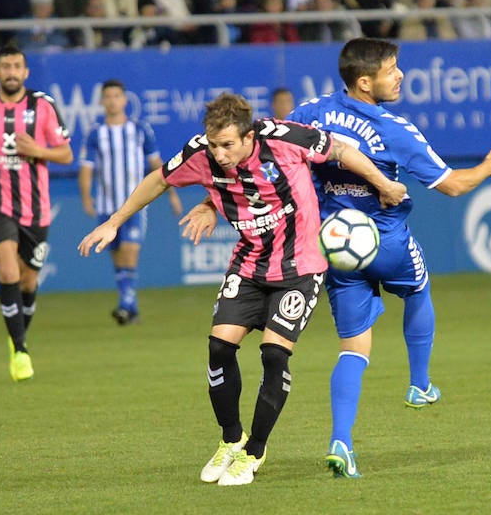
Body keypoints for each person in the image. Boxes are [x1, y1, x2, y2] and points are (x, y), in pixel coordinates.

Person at [80, 92, 407, 486]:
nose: (218, 154)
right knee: (219, 348)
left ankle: (254, 452)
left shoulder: (285, 138)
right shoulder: (201, 152)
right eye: (214, 144)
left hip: (301, 267)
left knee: (273, 353)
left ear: (249, 137)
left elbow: (340, 150)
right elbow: (159, 180)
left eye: (227, 145)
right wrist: (115, 221)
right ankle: (231, 440)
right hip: (250, 264)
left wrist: (384, 184)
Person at [279, 37, 491, 478]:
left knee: (353, 349)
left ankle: (341, 442)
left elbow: (274, 151)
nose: (400, 75)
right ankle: (419, 385)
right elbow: (453, 186)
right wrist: (488, 167)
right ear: (365, 82)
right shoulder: (392, 129)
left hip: (336, 248)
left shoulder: (310, 111)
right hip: (385, 241)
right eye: (391, 69)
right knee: (419, 289)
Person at [0, 43, 74, 382]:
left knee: (28, 280)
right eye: (5, 66)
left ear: (26, 72)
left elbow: (66, 154)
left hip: (36, 207)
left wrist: (38, 150)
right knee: (7, 271)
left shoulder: (43, 106)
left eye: (16, 66)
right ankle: (20, 349)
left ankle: (16, 335)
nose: (11, 72)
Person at [79, 79, 183, 325]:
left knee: (129, 252)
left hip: (135, 206)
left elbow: (157, 164)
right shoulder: (96, 132)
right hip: (106, 205)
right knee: (117, 257)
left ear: (125, 100)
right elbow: (86, 167)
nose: (113, 100)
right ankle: (131, 308)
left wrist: (172, 193)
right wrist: (86, 196)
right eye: (108, 96)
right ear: (102, 101)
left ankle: (125, 305)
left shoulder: (140, 129)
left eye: (117, 95)